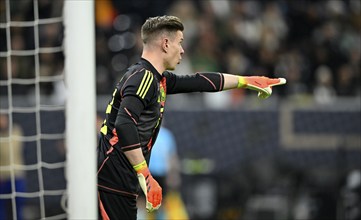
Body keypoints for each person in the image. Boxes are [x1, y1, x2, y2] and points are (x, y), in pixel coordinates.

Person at [97, 15, 286, 220]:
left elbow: (199, 81)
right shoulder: (143, 77)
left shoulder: (156, 78)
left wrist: (246, 81)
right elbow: (124, 124)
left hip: (119, 178)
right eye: (180, 42)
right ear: (166, 44)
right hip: (114, 178)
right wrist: (145, 173)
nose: (182, 50)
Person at [0, 113, 25, 220]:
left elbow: (11, 151)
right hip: (2, 177)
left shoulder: (16, 132)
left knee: (18, 207)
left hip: (17, 175)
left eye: (3, 119)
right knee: (2, 208)